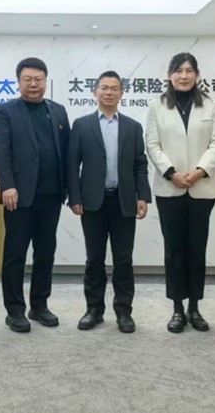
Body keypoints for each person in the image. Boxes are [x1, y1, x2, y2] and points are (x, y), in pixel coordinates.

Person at [145, 52, 215, 334]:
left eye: (189, 71)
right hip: (170, 188)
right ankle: (177, 308)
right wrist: (171, 173)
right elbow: (152, 144)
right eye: (178, 71)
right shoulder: (157, 105)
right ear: (170, 75)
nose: (184, 76)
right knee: (174, 250)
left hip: (202, 188)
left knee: (196, 250)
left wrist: (200, 171)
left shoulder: (209, 105)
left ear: (197, 75)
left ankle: (195, 308)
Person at [67, 70, 151, 333]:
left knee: (123, 260)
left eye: (114, 88)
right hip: (93, 202)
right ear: (95, 92)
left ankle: (124, 311)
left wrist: (143, 196)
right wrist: (75, 197)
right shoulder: (82, 125)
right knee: (94, 259)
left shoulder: (133, 127)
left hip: (124, 202)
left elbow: (140, 165)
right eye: (104, 87)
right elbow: (72, 165)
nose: (109, 92)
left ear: (121, 94)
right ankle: (94, 309)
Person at [0, 57, 70, 332]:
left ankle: (39, 305)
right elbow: (1, 151)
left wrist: (70, 190)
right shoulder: (6, 111)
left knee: (46, 252)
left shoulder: (58, 111)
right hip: (19, 196)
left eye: (38, 79)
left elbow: (66, 153)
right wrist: (7, 185)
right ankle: (14, 310)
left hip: (52, 194)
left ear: (46, 81)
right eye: (28, 80)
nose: (33, 84)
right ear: (19, 82)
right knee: (15, 253)